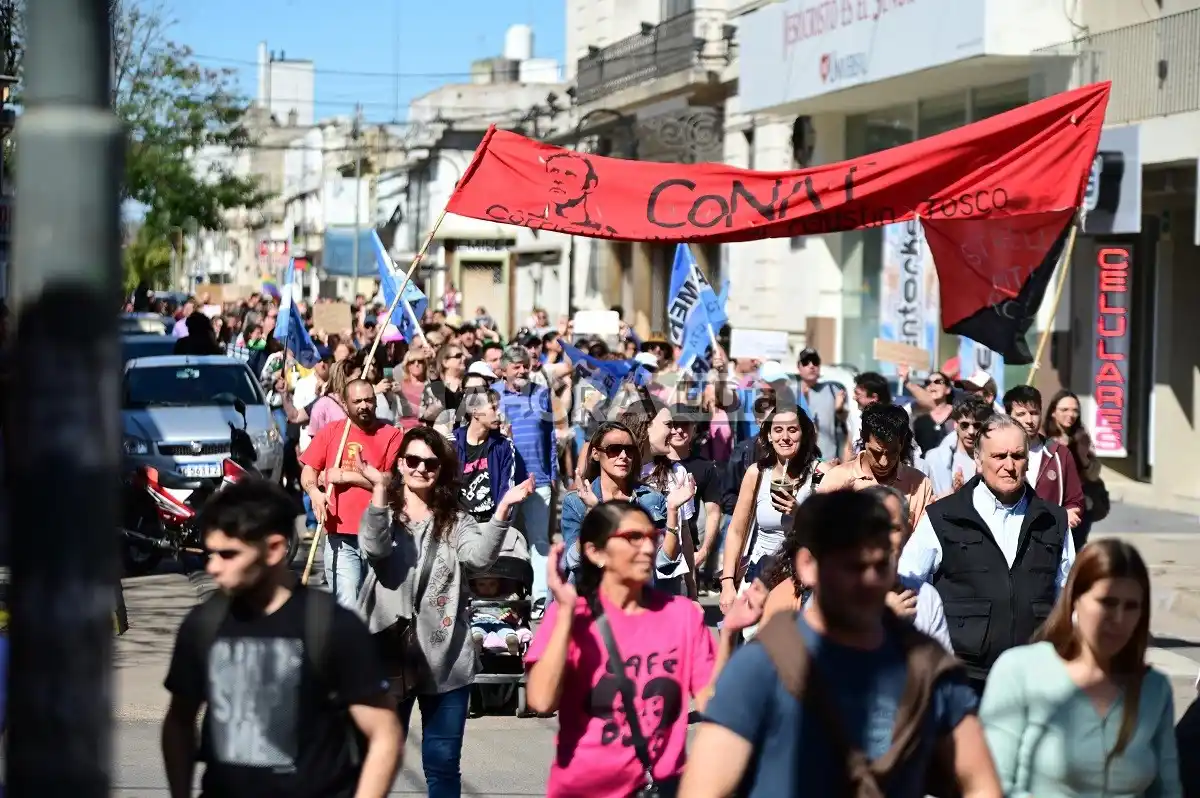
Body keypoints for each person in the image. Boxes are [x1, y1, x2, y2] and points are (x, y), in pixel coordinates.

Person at [682, 491, 1000, 798]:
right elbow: (705, 789)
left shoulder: (926, 663)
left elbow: (980, 782)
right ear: (808, 565)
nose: (869, 582)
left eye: (880, 565)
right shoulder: (767, 663)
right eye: (854, 565)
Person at [160, 479, 403, 798]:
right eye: (210, 553)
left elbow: (385, 734)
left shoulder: (332, 626)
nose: (213, 567)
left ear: (275, 549)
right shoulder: (203, 625)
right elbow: (179, 721)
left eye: (228, 554)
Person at [525, 500, 765, 797]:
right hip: (583, 788)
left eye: (652, 537)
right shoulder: (571, 617)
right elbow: (540, 701)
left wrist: (728, 633)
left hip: (659, 787)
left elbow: (712, 705)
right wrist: (565, 616)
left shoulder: (682, 615)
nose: (649, 548)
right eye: (633, 538)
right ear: (595, 552)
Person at [354, 427, 534, 798]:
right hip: (388, 655)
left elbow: (480, 558)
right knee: (376, 760)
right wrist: (378, 491)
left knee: (442, 762)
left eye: (430, 463)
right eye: (413, 460)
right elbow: (374, 548)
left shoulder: (455, 519)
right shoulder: (383, 513)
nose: (421, 468)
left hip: (446, 658)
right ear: (400, 464)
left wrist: (502, 510)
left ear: (442, 468)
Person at [981, 538, 1181, 797]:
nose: (1118, 619)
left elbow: (1168, 790)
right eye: (1107, 603)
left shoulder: (1154, 689)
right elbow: (991, 784)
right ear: (1075, 599)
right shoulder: (1020, 671)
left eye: (1131, 607)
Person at [899, 413, 1075, 696]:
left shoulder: (1053, 520)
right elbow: (908, 581)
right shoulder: (944, 517)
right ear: (978, 462)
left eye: (1017, 456)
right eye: (999, 456)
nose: (1009, 466)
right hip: (966, 677)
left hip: (1035, 677)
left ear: (1028, 460)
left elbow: (1068, 593)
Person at [299, 378, 403, 609]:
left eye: (369, 400)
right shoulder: (331, 432)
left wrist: (346, 476)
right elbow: (309, 470)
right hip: (340, 535)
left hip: (379, 535)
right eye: (357, 401)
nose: (364, 405)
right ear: (345, 406)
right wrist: (314, 491)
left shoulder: (392, 434)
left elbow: (387, 480)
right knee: (348, 606)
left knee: (379, 609)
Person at [560, 421, 687, 588]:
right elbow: (574, 561)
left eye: (629, 450)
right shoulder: (576, 502)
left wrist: (673, 510)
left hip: (639, 595)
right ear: (596, 454)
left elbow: (665, 561)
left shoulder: (652, 499)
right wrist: (593, 511)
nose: (623, 456)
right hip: (592, 595)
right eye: (614, 449)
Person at [719, 406, 819, 615]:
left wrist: (800, 514)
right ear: (769, 436)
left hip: (803, 579)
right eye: (778, 430)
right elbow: (736, 531)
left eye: (792, 430)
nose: (785, 437)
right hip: (760, 575)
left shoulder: (820, 475)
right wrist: (728, 583)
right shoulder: (757, 473)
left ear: (804, 433)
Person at [495, 344, 558, 618]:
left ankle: (540, 600)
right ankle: (505, 599)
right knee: (504, 539)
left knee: (540, 541)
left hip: (539, 478)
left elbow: (551, 437)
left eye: (525, 365)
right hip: (507, 481)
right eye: (515, 366)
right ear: (503, 370)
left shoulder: (542, 394)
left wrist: (553, 474)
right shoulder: (493, 395)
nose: (521, 370)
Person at [819, 402, 934, 527]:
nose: (884, 462)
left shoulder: (920, 484)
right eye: (876, 453)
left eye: (892, 452)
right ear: (863, 437)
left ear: (902, 442)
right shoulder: (836, 479)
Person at [1003, 384, 1086, 529]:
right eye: (1021, 414)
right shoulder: (997, 453)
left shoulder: (1060, 453)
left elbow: (1075, 500)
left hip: (1049, 538)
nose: (1029, 420)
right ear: (1008, 416)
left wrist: (1070, 512)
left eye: (1034, 413)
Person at [453, 388, 527, 523]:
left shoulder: (504, 445)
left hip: (491, 520)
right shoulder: (452, 443)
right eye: (493, 408)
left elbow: (506, 488)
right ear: (475, 412)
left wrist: (498, 523)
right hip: (458, 522)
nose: (499, 413)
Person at [1045, 388, 1107, 549]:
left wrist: (1083, 455)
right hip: (1049, 507)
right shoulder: (1042, 438)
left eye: (1075, 410)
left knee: (1074, 552)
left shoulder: (1082, 437)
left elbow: (1093, 474)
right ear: (1053, 412)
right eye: (1064, 409)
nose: (1071, 415)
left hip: (1079, 507)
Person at [922, 396, 992, 498]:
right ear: (955, 424)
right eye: (965, 425)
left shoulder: (993, 458)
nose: (971, 432)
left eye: (977, 426)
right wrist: (954, 492)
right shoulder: (934, 458)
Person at [793, 347, 846, 462]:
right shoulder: (791, 392)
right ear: (798, 367)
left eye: (815, 362)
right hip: (798, 460)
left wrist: (839, 409)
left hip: (828, 459)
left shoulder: (833, 390)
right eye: (806, 362)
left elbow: (846, 423)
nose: (811, 366)